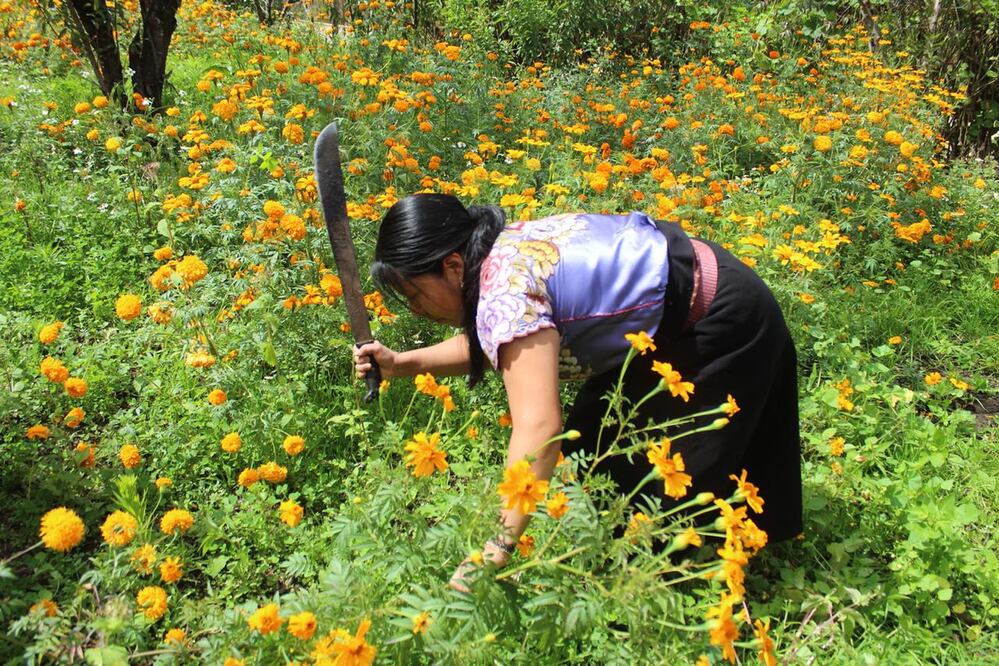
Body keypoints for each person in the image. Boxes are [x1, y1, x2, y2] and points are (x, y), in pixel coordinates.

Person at [352, 193, 802, 592]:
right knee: (594, 446)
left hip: (718, 319)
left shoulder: (503, 291)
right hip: (683, 299)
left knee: (655, 505)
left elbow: (540, 426)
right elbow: (500, 338)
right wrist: (403, 363)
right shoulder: (494, 257)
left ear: (452, 266)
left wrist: (497, 544)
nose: (415, 310)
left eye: (414, 294)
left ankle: (648, 596)